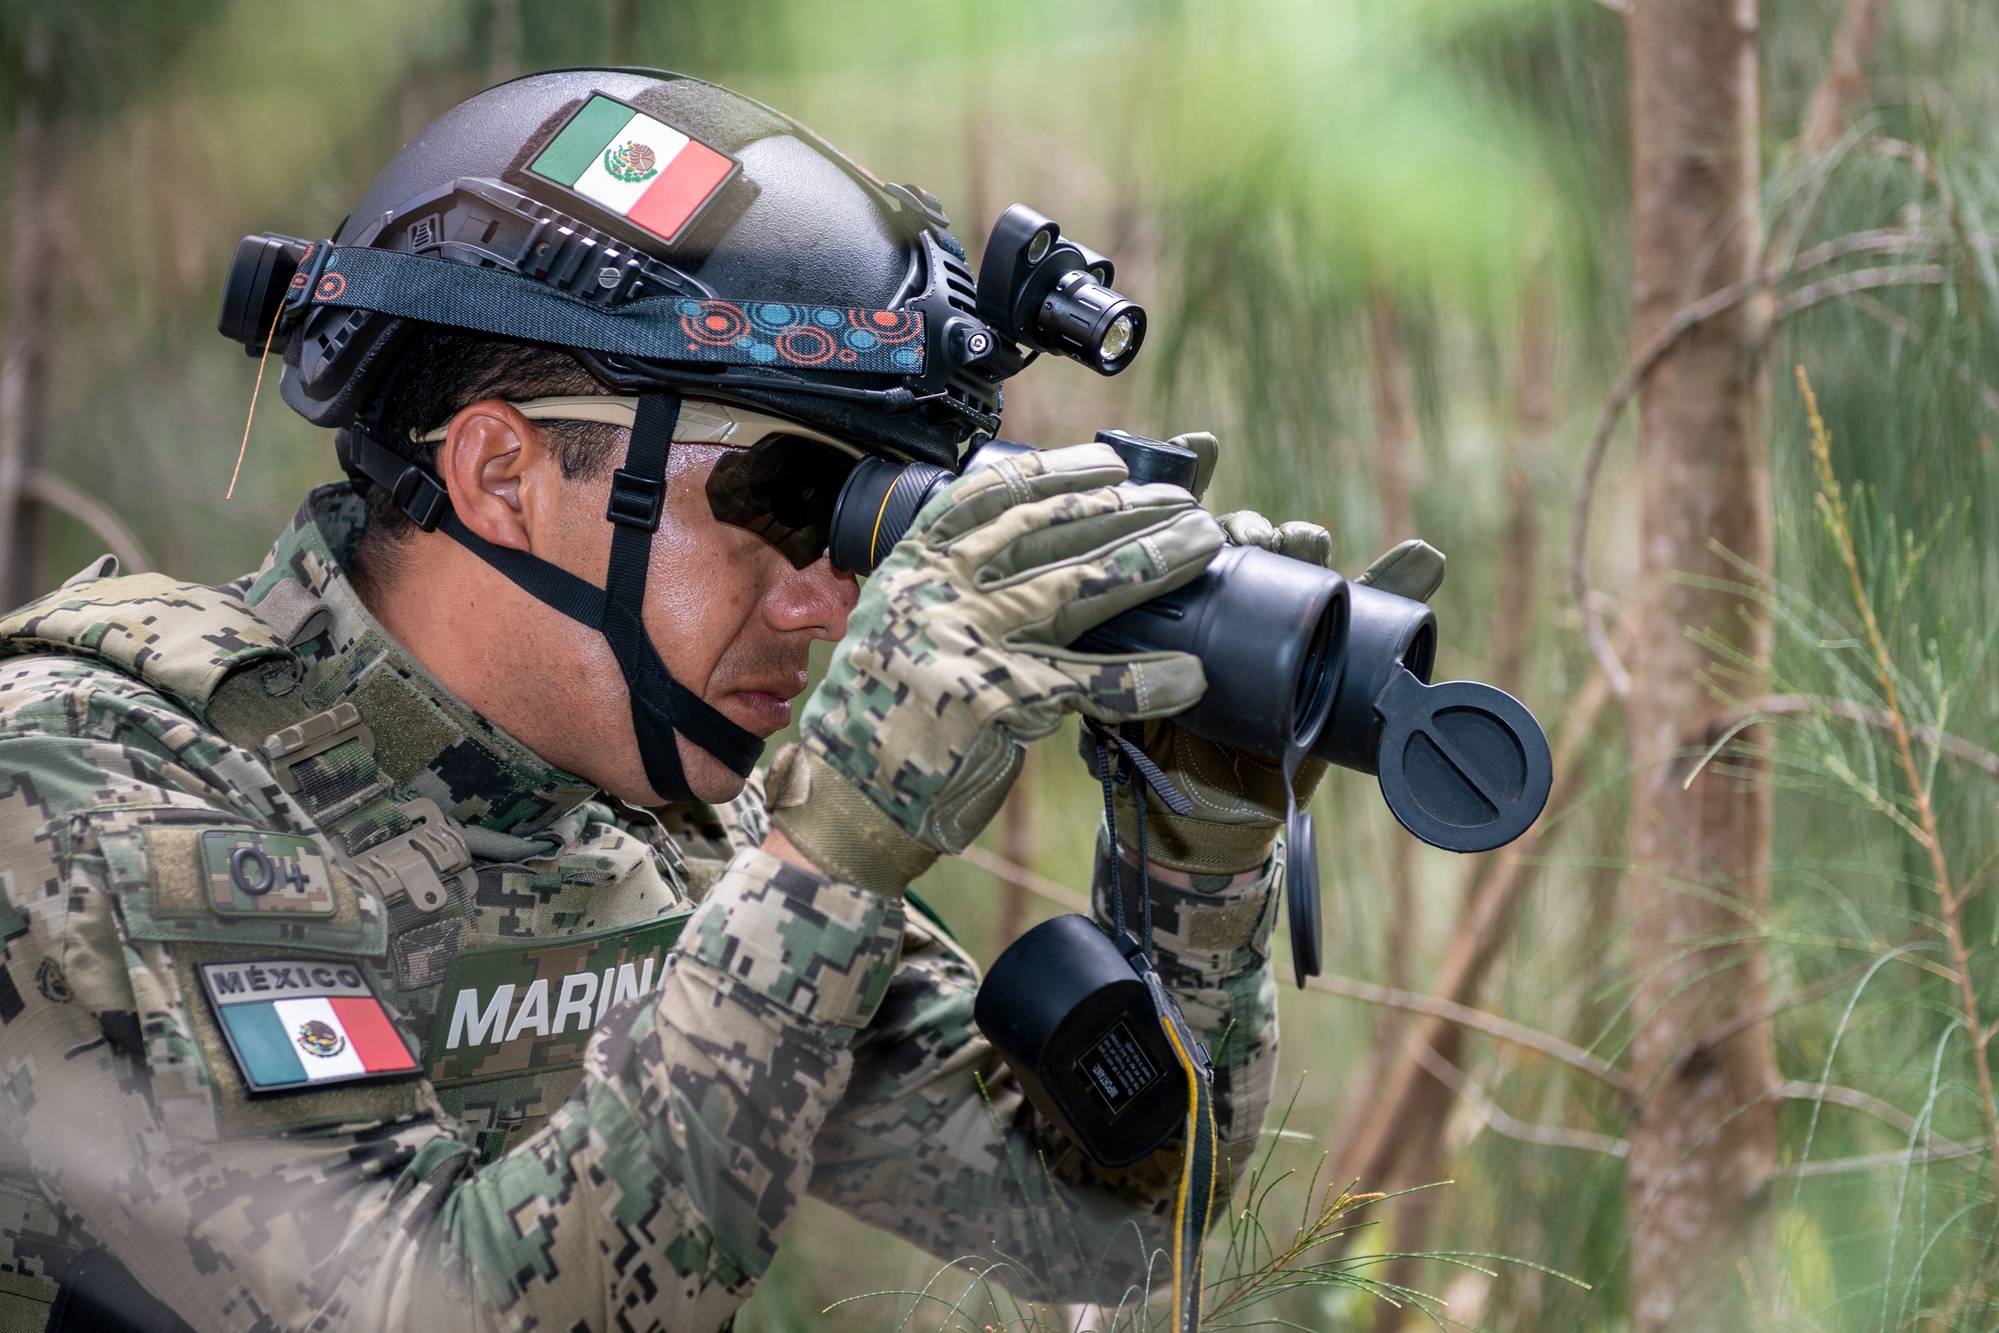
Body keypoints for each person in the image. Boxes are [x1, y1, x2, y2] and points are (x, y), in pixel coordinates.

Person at [0, 68, 1345, 1331]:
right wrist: (834, 848)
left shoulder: (659, 824)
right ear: (499, 474)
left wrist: (1201, 842)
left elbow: (1100, 1226)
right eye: (782, 497)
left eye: (860, 521)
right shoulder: (94, 784)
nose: (828, 600)